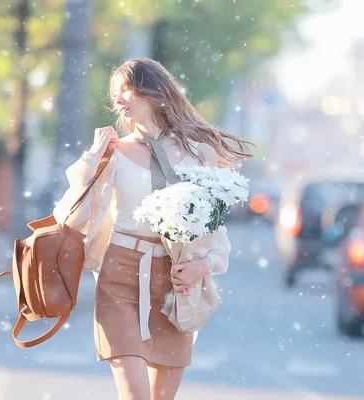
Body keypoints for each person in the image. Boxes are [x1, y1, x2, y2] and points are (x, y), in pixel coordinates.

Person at [53, 58, 253, 400]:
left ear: (155, 92)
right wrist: (91, 159)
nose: (118, 99)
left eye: (127, 89)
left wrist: (201, 267)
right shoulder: (113, 154)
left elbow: (216, 233)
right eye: (116, 93)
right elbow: (69, 216)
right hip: (120, 276)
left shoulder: (200, 154)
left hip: (177, 283)